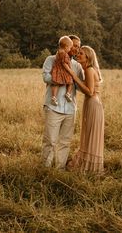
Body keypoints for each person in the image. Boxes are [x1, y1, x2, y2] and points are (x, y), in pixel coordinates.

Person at [41, 35, 84, 170]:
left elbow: (81, 84)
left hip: (70, 109)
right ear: (67, 46)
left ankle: (59, 169)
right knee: (50, 141)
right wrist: (63, 78)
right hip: (53, 107)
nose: (76, 49)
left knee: (65, 141)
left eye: (78, 46)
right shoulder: (51, 59)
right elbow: (46, 77)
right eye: (74, 46)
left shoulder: (77, 65)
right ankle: (46, 169)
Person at [66, 46, 104, 174]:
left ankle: (89, 167)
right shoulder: (88, 69)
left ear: (87, 57)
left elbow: (89, 91)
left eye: (81, 53)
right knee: (89, 133)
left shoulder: (89, 69)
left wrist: (74, 76)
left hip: (93, 103)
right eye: (78, 53)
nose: (78, 55)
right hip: (92, 103)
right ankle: (89, 165)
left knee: (90, 134)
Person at [51, 36, 74, 106]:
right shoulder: (65, 54)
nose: (70, 49)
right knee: (70, 82)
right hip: (63, 71)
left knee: (56, 84)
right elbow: (65, 63)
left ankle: (54, 97)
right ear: (66, 47)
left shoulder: (58, 53)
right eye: (70, 48)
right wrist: (70, 69)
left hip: (56, 71)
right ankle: (68, 94)